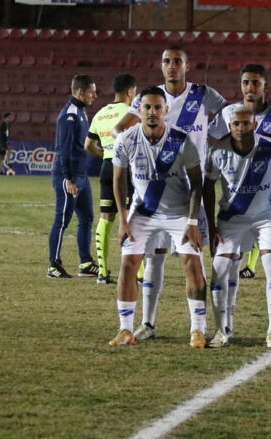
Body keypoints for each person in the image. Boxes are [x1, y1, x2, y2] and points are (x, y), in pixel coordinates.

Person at [113, 45, 226, 342]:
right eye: (166, 61)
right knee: (154, 259)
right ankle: (146, 324)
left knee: (195, 260)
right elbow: (119, 130)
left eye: (177, 61)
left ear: (187, 66)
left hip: (187, 192)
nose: (172, 66)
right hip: (149, 194)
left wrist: (212, 139)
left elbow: (228, 119)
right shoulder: (148, 98)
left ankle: (201, 327)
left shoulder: (204, 94)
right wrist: (130, 149)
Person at [108, 87, 207, 348]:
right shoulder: (126, 139)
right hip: (144, 212)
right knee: (128, 263)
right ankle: (125, 329)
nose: (152, 112)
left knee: (191, 263)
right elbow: (119, 181)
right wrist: (123, 219)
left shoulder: (181, 140)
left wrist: (192, 222)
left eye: (157, 107)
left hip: (179, 212)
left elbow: (197, 183)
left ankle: (198, 329)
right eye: (147, 107)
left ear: (166, 110)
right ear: (139, 110)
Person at [204, 108, 271, 348]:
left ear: (254, 125)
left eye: (246, 123)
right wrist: (211, 225)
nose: (240, 128)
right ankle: (221, 330)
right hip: (232, 218)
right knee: (219, 270)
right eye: (236, 124)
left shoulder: (270, 147)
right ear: (229, 126)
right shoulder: (218, 152)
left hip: (268, 216)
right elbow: (208, 187)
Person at [209, 64, 271, 280]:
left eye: (256, 83)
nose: (250, 87)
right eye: (246, 82)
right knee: (230, 262)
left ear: (265, 86)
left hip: (269, 199)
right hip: (236, 198)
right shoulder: (229, 113)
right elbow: (213, 138)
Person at [85, 73, 138, 285]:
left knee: (105, 217)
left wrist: (106, 155)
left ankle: (102, 271)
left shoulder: (100, 114)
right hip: (126, 169)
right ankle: (140, 273)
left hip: (107, 167)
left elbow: (88, 145)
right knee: (132, 217)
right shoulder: (130, 113)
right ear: (130, 91)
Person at [47, 75, 98, 279]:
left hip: (81, 175)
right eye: (91, 92)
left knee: (87, 218)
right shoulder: (69, 115)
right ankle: (53, 265)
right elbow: (64, 150)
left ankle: (85, 263)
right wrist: (68, 178)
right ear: (80, 92)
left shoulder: (81, 112)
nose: (94, 95)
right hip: (69, 177)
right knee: (62, 220)